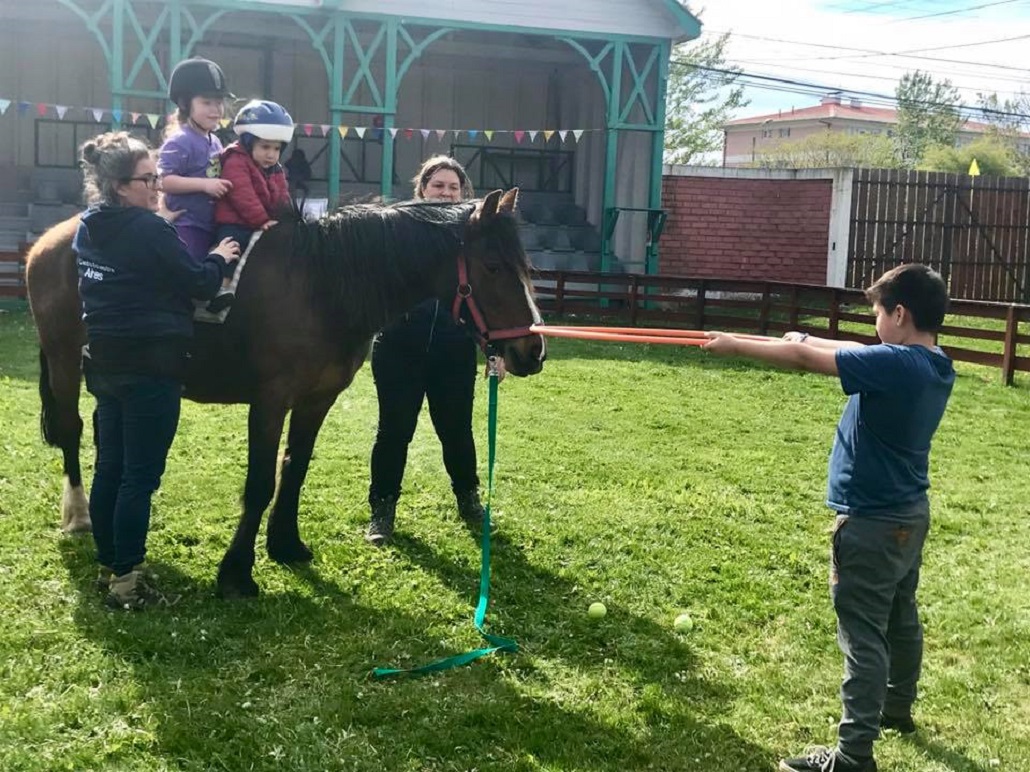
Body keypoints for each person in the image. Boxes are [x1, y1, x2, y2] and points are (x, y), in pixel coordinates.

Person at [703, 264, 955, 772]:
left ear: (900, 314)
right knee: (901, 616)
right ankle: (897, 708)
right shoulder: (933, 363)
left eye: (879, 314)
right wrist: (811, 335)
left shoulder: (896, 364)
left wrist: (735, 343)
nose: (875, 323)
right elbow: (856, 353)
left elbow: (803, 359)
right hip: (908, 516)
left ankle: (852, 757)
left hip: (870, 523)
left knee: (863, 635)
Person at [73, 131, 240, 610]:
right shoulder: (149, 230)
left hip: (104, 361)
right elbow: (198, 283)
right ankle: (127, 581)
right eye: (148, 179)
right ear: (121, 186)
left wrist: (157, 223)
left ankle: (110, 563)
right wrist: (219, 257)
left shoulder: (89, 225)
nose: (156, 186)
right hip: (151, 366)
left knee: (109, 468)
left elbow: (127, 261)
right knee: (138, 479)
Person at [365, 155, 500, 546]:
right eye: (438, 185)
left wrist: (494, 350)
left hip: (453, 349)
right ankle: (382, 510)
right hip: (398, 348)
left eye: (453, 187)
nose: (446, 193)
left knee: (456, 430)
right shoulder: (396, 229)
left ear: (464, 193)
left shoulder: (474, 238)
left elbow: (490, 300)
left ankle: (468, 500)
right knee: (393, 431)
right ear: (422, 189)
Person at [209, 100, 294, 311]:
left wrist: (287, 218)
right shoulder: (236, 161)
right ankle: (219, 290)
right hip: (236, 222)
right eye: (265, 146)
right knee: (232, 248)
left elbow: (283, 195)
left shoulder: (275, 169)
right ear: (248, 142)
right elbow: (242, 194)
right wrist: (262, 220)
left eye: (276, 148)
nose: (271, 154)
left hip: (259, 223)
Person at [158, 57, 234, 262]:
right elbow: (162, 180)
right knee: (188, 274)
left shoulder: (216, 141)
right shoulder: (180, 141)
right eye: (207, 102)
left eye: (219, 103)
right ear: (185, 104)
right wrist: (204, 185)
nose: (216, 109)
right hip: (187, 226)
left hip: (212, 224)